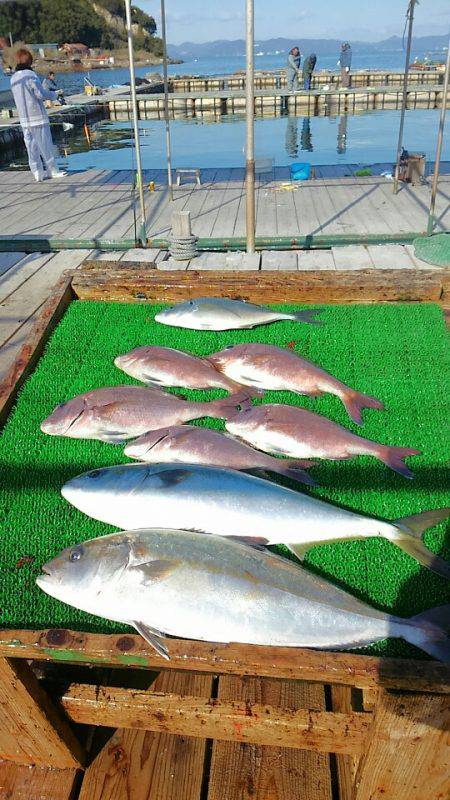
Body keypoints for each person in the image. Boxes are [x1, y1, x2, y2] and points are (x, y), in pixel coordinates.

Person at [10, 48, 67, 182]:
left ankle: (37, 172)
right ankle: (52, 170)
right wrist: (54, 95)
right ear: (29, 61)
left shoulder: (13, 78)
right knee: (45, 145)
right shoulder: (30, 75)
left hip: (24, 119)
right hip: (37, 116)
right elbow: (40, 94)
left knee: (31, 147)